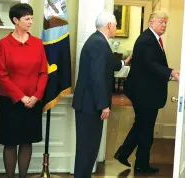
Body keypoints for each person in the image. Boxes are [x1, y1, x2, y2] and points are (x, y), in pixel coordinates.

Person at [114, 11, 180, 173]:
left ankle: (130, 157)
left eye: (165, 23)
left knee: (143, 126)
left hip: (147, 92)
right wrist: (171, 72)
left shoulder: (152, 39)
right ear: (151, 23)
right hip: (144, 93)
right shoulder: (146, 40)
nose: (164, 25)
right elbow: (151, 63)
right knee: (145, 128)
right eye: (160, 22)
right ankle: (137, 161)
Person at [72, 12, 131, 178]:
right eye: (116, 25)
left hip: (89, 103)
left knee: (89, 148)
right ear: (110, 25)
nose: (117, 28)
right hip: (90, 105)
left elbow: (108, 64)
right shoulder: (98, 43)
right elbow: (97, 76)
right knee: (87, 149)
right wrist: (103, 104)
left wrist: (123, 62)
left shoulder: (98, 41)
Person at [0, 3, 48, 178]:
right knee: (10, 143)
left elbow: (43, 72)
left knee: (27, 142)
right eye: (27, 18)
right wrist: (21, 97)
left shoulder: (37, 43)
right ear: (15, 20)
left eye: (32, 18)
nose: (31, 22)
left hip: (33, 102)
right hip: (10, 102)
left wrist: (36, 96)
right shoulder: (3, 44)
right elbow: (1, 75)